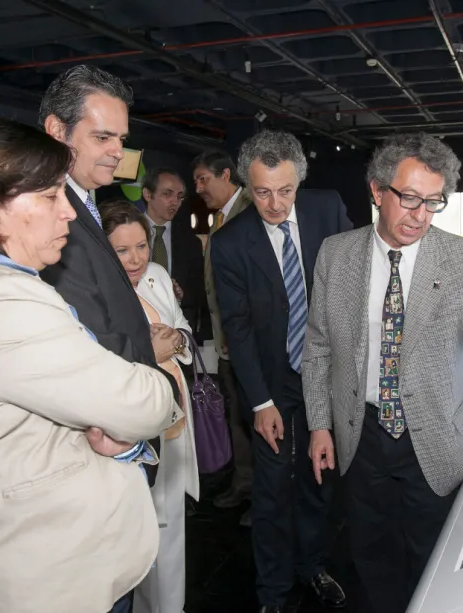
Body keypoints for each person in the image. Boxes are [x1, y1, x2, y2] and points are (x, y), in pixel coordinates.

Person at [0, 115, 181, 613]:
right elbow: (142, 401)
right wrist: (153, 392)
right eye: (50, 197)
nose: (68, 212)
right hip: (35, 583)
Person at [302, 133, 463, 613]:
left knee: (434, 557)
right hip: (361, 436)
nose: (420, 215)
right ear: (376, 190)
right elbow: (319, 347)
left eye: (433, 202)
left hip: (435, 438)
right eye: (409, 198)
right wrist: (319, 424)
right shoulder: (336, 254)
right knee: (371, 556)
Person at [210, 130, 352, 613]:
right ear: (248, 185)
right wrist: (260, 402)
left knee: (319, 481)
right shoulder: (229, 243)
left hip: (327, 377)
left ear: (300, 181)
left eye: (286, 190)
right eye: (263, 192)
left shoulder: (328, 210)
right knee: (271, 493)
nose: (275, 203)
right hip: (271, 381)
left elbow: (358, 276)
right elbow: (238, 327)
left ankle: (311, 566)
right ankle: (272, 592)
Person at [38, 66, 181, 520]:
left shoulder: (86, 204)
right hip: (96, 440)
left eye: (121, 139)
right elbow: (81, 341)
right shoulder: (53, 218)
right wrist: (150, 355)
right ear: (57, 131)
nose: (117, 152)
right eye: (103, 138)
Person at [101, 200, 199, 613]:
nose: (136, 258)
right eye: (122, 250)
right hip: (127, 429)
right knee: (134, 531)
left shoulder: (158, 276)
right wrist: (149, 349)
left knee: (171, 522)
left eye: (141, 246)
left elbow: (186, 331)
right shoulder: (99, 291)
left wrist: (175, 339)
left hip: (174, 418)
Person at [194, 150, 254, 518]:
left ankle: (263, 495)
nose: (197, 187)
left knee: (256, 413)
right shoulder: (221, 217)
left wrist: (237, 329)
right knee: (238, 413)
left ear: (226, 174)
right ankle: (246, 483)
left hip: (245, 336)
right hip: (228, 336)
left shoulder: (249, 210)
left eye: (203, 178)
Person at [141, 168, 207, 336]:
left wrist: (182, 294)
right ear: (148, 194)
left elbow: (200, 289)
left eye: (179, 196)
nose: (174, 202)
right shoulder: (127, 232)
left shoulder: (191, 242)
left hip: (177, 333)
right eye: (167, 194)